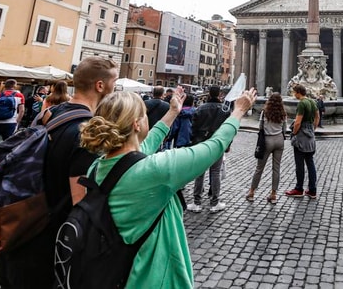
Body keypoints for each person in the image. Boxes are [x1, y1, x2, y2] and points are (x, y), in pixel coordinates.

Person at [80, 85, 256, 286]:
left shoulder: (97, 166)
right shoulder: (156, 171)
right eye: (144, 115)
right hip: (152, 279)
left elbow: (144, 147)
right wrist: (239, 111)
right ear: (136, 124)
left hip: (115, 272)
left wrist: (173, 112)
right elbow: (214, 147)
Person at [0, 57, 118, 288]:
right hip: (49, 251)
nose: (115, 87)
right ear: (100, 86)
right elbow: (81, 205)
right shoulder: (87, 131)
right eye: (115, 81)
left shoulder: (47, 115)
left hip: (18, 235)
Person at [187, 86, 230, 213]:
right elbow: (228, 129)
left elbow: (193, 128)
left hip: (201, 143)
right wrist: (227, 145)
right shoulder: (225, 110)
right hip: (218, 144)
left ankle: (197, 203)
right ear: (219, 94)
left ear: (209, 94)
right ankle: (214, 203)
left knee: (200, 173)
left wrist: (194, 141)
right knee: (215, 172)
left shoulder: (200, 108)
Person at [247, 92, 288, 204]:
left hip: (267, 140)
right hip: (279, 140)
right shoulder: (283, 113)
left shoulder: (265, 112)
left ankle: (251, 193)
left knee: (259, 168)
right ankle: (273, 194)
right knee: (276, 168)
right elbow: (285, 129)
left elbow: (260, 127)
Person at [285, 84, 319, 198]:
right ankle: (312, 190)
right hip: (310, 136)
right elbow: (317, 117)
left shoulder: (301, 103)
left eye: (294, 92)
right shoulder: (312, 102)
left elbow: (298, 122)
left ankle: (299, 189)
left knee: (299, 164)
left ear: (298, 92)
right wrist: (313, 128)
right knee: (310, 163)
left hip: (301, 136)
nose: (294, 94)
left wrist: (294, 132)